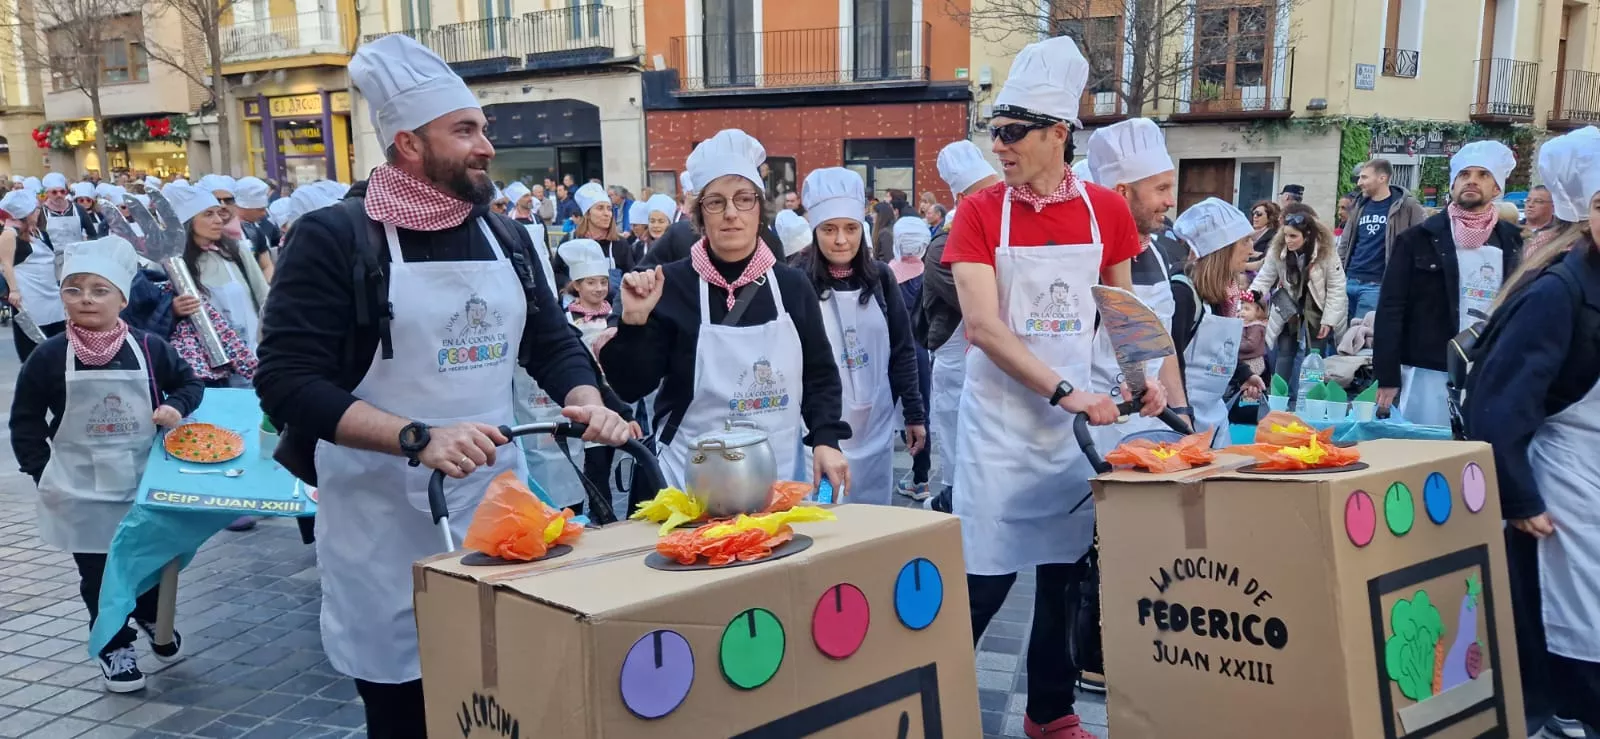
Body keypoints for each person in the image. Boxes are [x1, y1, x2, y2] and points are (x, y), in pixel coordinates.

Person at [252, 35, 631, 735]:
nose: (487, 145)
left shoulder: (505, 237)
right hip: (381, 528)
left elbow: (548, 340)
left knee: (500, 700)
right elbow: (283, 380)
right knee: (407, 708)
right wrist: (415, 437)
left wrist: (585, 397)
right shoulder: (336, 238)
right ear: (408, 143)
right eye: (465, 130)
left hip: (498, 518)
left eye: (482, 127)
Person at [942, 36, 1160, 739]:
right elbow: (983, 326)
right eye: (994, 132)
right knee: (985, 580)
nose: (998, 147)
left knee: (1064, 578)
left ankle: (1050, 712)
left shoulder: (1106, 211)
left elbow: (1124, 315)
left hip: (1077, 432)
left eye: (1012, 133)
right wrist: (1067, 388)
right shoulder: (979, 214)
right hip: (1002, 433)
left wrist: (1143, 381)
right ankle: (932, 702)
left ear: (1058, 134)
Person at [599, 129, 850, 496]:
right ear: (699, 214)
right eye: (716, 202)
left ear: (759, 208)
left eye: (743, 199)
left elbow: (820, 375)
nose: (731, 213)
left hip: (777, 478)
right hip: (687, 483)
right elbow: (631, 386)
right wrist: (633, 324)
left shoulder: (792, 287)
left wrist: (827, 438)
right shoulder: (670, 284)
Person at [9, 236, 203, 692]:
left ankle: (155, 618)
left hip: (143, 481)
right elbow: (25, 422)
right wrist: (42, 472)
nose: (86, 300)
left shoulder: (151, 347)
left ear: (122, 296)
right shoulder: (49, 355)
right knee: (98, 574)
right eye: (74, 290)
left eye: (99, 289)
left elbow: (189, 383)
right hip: (81, 491)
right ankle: (114, 646)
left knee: (151, 561)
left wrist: (175, 407)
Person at [1464, 129, 1600, 739]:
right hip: (1565, 494)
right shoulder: (1557, 293)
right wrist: (1520, 497)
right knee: (1576, 631)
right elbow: (1497, 402)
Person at [793, 168, 925, 505]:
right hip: (819, 432)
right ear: (814, 230)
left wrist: (914, 414)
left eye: (850, 229)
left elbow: (902, 350)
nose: (841, 240)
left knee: (873, 522)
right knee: (826, 519)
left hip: (876, 426)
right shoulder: (797, 281)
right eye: (829, 229)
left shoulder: (880, 278)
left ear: (862, 230)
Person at [1374, 140, 1522, 427]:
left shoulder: (1513, 241)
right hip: (1429, 368)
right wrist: (1387, 376)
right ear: (1453, 185)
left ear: (1497, 188)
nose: (1472, 181)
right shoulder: (1417, 239)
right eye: (1464, 175)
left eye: (1483, 175)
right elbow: (1391, 309)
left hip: (1489, 368)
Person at [1082, 117, 1190, 435]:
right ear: (1122, 192)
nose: (1171, 201)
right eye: (1161, 189)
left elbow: (1162, 343)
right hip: (1096, 426)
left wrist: (1181, 413)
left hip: (1151, 418)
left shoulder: (1157, 251)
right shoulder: (1088, 257)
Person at [920, 141, 998, 513]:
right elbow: (983, 305)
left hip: (990, 364)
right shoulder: (941, 248)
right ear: (964, 198)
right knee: (955, 442)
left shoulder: (993, 236)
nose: (999, 198)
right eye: (988, 192)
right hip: (955, 363)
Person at [1168, 198, 1265, 446]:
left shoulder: (1224, 294)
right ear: (1222, 248)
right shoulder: (1183, 293)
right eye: (1244, 241)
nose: (1251, 248)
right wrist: (1181, 415)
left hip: (1213, 417)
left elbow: (1219, 349)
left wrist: (1243, 374)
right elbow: (1169, 357)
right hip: (1180, 421)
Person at [1248, 209, 1348, 406]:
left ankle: (1312, 403)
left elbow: (1337, 287)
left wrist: (1329, 320)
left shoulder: (1327, 252)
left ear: (1307, 235)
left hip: (1317, 305)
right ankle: (1277, 401)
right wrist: (1253, 293)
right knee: (1284, 352)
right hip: (1288, 304)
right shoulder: (1278, 250)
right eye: (1285, 235)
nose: (1288, 240)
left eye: (1293, 236)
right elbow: (1265, 276)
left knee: (1315, 356)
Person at [557, 239, 623, 510]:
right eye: (590, 283)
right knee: (592, 467)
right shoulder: (566, 319)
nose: (598, 288)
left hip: (616, 396)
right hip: (586, 399)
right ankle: (597, 515)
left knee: (614, 463)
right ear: (577, 286)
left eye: (602, 282)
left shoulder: (616, 316)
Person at [1338, 159, 1428, 321]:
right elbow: (1345, 242)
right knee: (1337, 336)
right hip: (1349, 279)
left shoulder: (1407, 206)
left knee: (1361, 337)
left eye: (1364, 177)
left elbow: (1423, 242)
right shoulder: (1360, 204)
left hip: (1377, 285)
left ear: (1382, 178)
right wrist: (1339, 274)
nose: (1359, 183)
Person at [889, 215, 934, 500]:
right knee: (920, 414)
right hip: (920, 353)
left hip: (889, 354)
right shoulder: (931, 275)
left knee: (881, 415)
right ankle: (921, 479)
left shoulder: (884, 274)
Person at [2, 189, 66, 360]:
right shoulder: (9, 234)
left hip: (50, 295)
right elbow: (5, 264)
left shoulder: (38, 232)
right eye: (36, 209)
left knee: (58, 342)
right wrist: (13, 290)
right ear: (26, 213)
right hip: (29, 297)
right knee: (34, 349)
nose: (39, 212)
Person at [233, 177, 280, 282]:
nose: (263, 214)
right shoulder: (220, 231)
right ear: (244, 207)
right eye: (259, 210)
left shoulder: (255, 230)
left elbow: (266, 265)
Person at [40, 173, 100, 248]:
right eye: (54, 192)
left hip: (77, 255)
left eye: (62, 191)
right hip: (53, 257)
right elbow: (41, 240)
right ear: (47, 193)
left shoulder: (78, 209)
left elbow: (92, 234)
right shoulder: (42, 212)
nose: (59, 195)